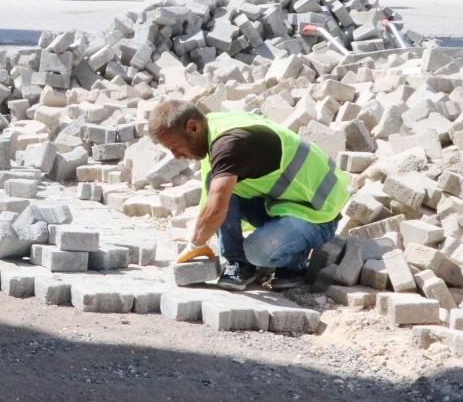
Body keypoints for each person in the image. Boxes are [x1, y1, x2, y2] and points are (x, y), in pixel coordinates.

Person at [148, 99, 348, 291]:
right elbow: (212, 198)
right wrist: (198, 231)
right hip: (283, 204)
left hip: (319, 212)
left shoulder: (229, 144)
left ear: (192, 127)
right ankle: (239, 263)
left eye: (175, 147)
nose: (176, 155)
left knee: (257, 251)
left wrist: (196, 244)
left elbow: (217, 207)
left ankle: (295, 259)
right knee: (218, 182)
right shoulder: (211, 129)